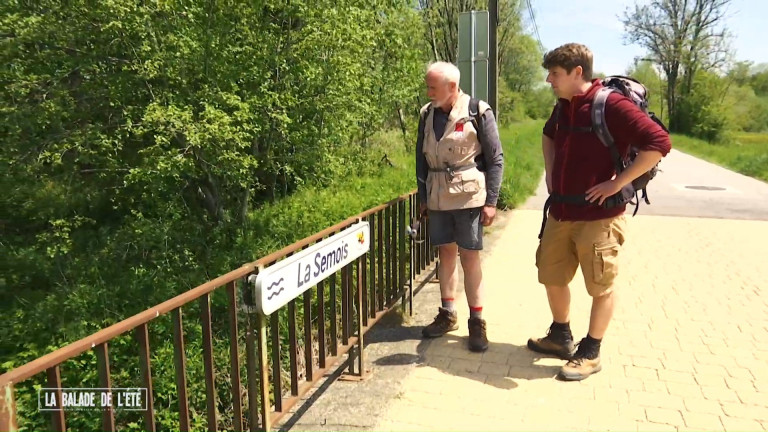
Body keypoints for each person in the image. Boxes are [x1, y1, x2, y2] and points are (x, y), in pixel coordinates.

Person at [528, 43, 671, 380]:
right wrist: (549, 172)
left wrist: (617, 183)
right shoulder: (564, 105)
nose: (549, 80)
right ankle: (560, 336)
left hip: (600, 217)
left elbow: (659, 143)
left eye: (555, 74)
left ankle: (590, 351)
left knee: (600, 286)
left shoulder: (610, 105)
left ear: (578, 72)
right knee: (551, 275)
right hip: (561, 213)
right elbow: (548, 137)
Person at [415, 61, 504, 352]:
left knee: (470, 257)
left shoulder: (478, 111)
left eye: (433, 87)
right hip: (439, 196)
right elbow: (420, 159)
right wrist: (422, 196)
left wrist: (491, 202)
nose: (428, 92)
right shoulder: (426, 115)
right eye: (428, 86)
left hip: (469, 198)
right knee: (445, 253)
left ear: (452, 87)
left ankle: (476, 321)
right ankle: (447, 313)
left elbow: (495, 159)